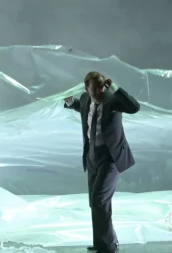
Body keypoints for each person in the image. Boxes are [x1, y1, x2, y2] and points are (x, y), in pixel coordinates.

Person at [64, 71, 141, 253]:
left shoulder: (113, 100)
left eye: (101, 87)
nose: (99, 92)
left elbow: (134, 107)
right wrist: (71, 102)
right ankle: (102, 243)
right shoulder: (85, 99)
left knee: (99, 200)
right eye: (94, 88)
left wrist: (113, 88)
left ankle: (108, 246)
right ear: (86, 89)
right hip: (91, 156)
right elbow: (81, 107)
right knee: (95, 202)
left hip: (111, 157)